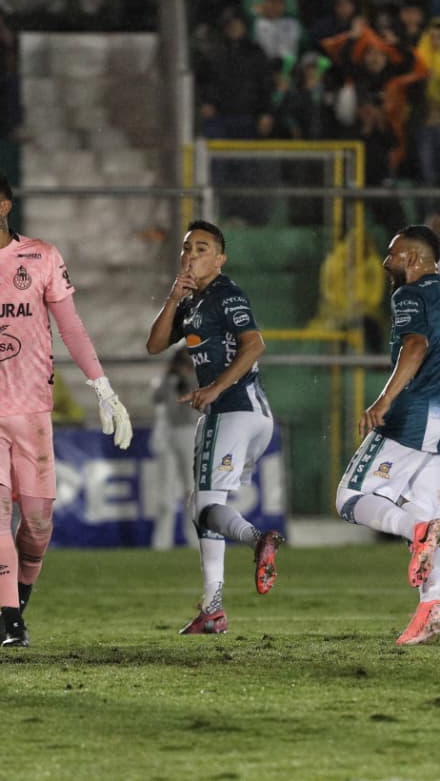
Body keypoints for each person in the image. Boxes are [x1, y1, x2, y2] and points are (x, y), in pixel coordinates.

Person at [0, 168, 132, 648]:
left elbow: (71, 328)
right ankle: (11, 618)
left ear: (4, 207)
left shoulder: (40, 258)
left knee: (36, 524)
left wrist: (102, 388)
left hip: (32, 411)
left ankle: (19, 599)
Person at [334, 224, 440, 646]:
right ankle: (431, 605)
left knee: (349, 499)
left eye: (393, 254)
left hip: (416, 417)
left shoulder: (410, 294)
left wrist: (382, 401)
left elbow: (414, 346)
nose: (386, 261)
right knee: (424, 521)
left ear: (414, 259)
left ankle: (417, 533)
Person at [145, 219, 284, 635]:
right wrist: (173, 298)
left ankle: (257, 540)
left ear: (220, 259)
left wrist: (216, 388)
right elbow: (154, 344)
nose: (190, 255)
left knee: (204, 507)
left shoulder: (227, 293)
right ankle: (213, 607)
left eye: (201, 249)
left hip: (232, 410)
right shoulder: (191, 303)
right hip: (251, 415)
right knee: (201, 506)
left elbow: (255, 344)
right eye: (186, 248)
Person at [148, 347, 200, 551]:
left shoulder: (196, 379)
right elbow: (157, 399)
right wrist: (169, 377)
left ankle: (195, 539)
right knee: (165, 491)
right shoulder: (166, 381)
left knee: (191, 489)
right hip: (168, 432)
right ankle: (162, 542)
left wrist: (186, 378)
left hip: (188, 431)